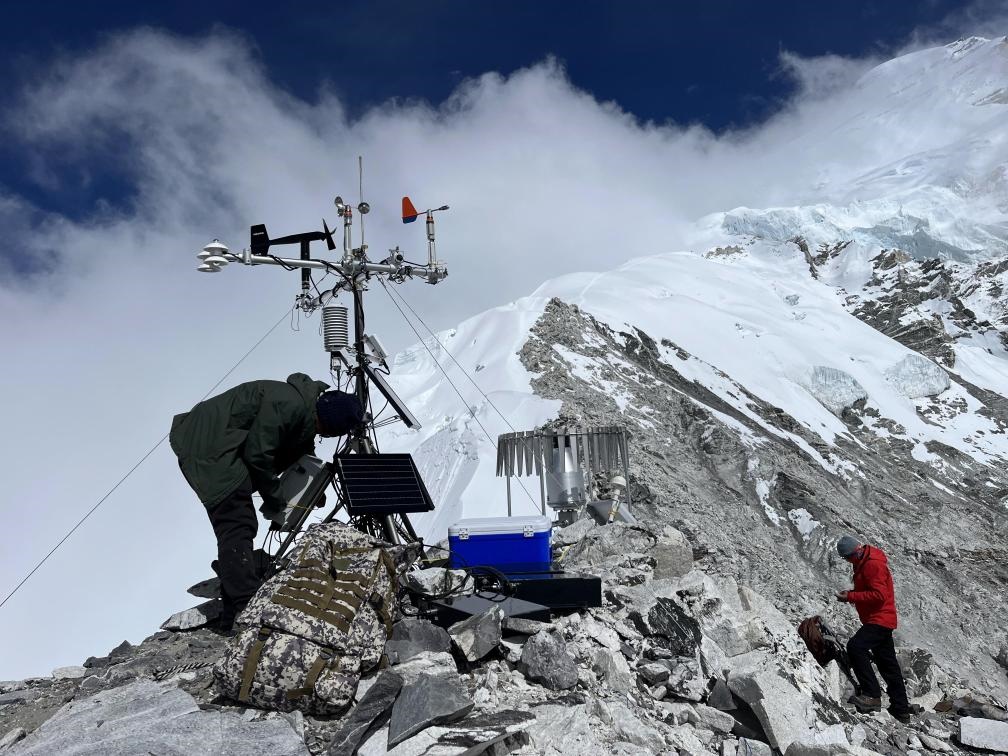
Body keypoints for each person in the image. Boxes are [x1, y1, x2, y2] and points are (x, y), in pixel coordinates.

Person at [170, 373, 364, 630]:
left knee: (239, 523)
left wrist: (312, 487)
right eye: (325, 431)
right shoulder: (290, 405)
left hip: (217, 442)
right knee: (237, 523)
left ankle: (232, 610)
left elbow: (301, 447)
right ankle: (247, 606)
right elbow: (258, 455)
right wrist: (276, 499)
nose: (321, 435)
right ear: (328, 423)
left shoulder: (302, 408)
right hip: (210, 447)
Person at [835, 535, 912, 723]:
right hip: (881, 619)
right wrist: (852, 594)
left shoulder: (872, 565)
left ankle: (872, 695)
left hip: (879, 619)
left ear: (854, 553)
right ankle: (901, 710)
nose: (848, 561)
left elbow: (879, 595)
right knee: (888, 665)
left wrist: (851, 597)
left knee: (855, 647)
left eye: (847, 558)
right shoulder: (865, 561)